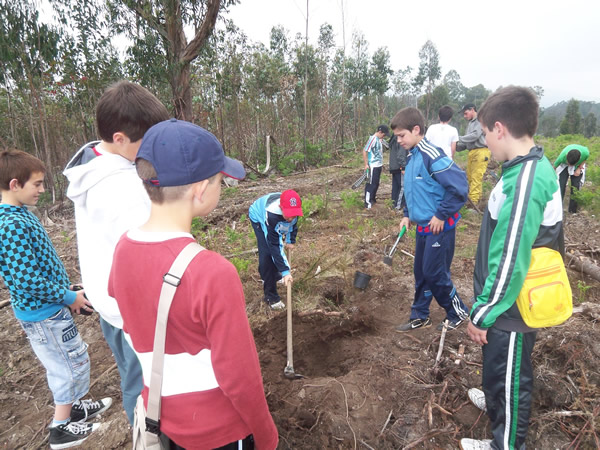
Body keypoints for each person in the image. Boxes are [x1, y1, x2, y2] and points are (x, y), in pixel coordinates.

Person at [108, 118, 278, 450]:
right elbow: (239, 378)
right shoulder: (212, 273)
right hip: (219, 431)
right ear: (200, 189)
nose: (221, 187)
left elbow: (130, 322)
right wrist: (266, 435)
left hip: (162, 420)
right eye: (220, 180)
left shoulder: (122, 249)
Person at [461, 86, 564, 450]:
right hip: (508, 302)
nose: (485, 142)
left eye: (485, 134)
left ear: (499, 128)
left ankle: (504, 444)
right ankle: (494, 403)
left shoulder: (525, 182)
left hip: (513, 304)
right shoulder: (524, 168)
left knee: (510, 375)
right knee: (498, 364)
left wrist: (483, 313)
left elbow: (510, 257)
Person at [63, 80, 170, 424]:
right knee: (144, 385)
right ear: (120, 138)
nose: (152, 149)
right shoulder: (120, 188)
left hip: (108, 302)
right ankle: (147, 437)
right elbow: (147, 255)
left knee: (132, 375)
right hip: (131, 310)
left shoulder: (93, 163)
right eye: (146, 142)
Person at [0, 150, 112, 449]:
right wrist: (67, 296)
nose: (42, 189)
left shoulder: (20, 215)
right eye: (37, 184)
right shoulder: (11, 225)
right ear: (14, 184)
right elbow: (27, 280)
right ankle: (61, 428)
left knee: (74, 357)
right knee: (67, 366)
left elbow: (37, 267)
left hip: (50, 307)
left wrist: (68, 288)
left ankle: (74, 408)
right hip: (44, 314)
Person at [390, 108, 470, 332]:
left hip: (439, 228)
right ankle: (420, 315)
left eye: (402, 135)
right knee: (421, 273)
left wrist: (441, 214)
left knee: (435, 273)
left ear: (416, 130)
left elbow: (460, 187)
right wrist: (407, 215)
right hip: (423, 227)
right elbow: (413, 189)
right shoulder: (412, 155)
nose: (399, 141)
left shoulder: (432, 155)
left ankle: (457, 312)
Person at [249, 190, 303, 310]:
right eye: (288, 214)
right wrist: (285, 271)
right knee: (267, 254)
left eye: (294, 214)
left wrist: (290, 240)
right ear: (280, 207)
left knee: (274, 254)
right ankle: (271, 296)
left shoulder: (294, 210)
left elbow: (292, 225)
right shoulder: (272, 215)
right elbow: (275, 245)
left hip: (273, 213)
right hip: (258, 216)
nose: (291, 218)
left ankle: (276, 276)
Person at [457, 103, 490, 204]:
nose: (464, 116)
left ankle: (473, 203)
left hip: (480, 152)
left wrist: (457, 138)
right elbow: (467, 142)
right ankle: (478, 200)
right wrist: (455, 145)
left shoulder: (480, 120)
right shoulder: (470, 124)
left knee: (476, 177)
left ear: (472, 110)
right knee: (471, 177)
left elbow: (475, 135)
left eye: (466, 113)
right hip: (472, 152)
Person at [554, 144, 589, 213]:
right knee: (561, 184)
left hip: (577, 166)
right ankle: (558, 208)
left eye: (571, 164)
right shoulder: (562, 157)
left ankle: (572, 211)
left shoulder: (585, 152)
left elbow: (585, 159)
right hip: (564, 165)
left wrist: (579, 168)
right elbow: (554, 167)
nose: (570, 165)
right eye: (569, 163)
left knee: (575, 187)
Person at [363, 124, 389, 209]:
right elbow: (365, 151)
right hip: (373, 165)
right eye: (384, 135)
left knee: (376, 184)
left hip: (378, 165)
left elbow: (387, 147)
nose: (384, 136)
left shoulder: (379, 140)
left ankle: (373, 200)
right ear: (380, 132)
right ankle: (367, 203)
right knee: (371, 184)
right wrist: (366, 164)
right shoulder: (372, 139)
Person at [388, 130, 407, 209]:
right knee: (402, 187)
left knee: (396, 186)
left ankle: (393, 204)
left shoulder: (394, 137)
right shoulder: (401, 138)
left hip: (394, 166)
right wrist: (403, 166)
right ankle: (398, 206)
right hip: (399, 166)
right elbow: (401, 154)